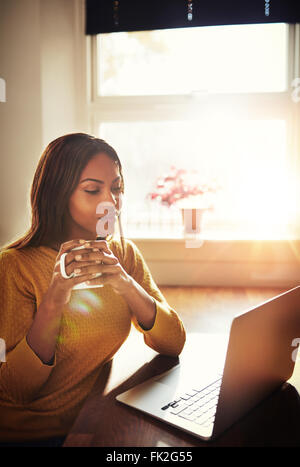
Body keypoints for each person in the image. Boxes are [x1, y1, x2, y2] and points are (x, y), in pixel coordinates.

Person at [0, 133, 186, 446]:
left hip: (91, 421)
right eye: (92, 190)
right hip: (28, 434)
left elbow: (173, 341)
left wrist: (125, 283)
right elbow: (16, 391)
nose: (110, 202)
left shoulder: (124, 254)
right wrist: (55, 298)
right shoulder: (14, 266)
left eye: (116, 188)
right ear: (58, 194)